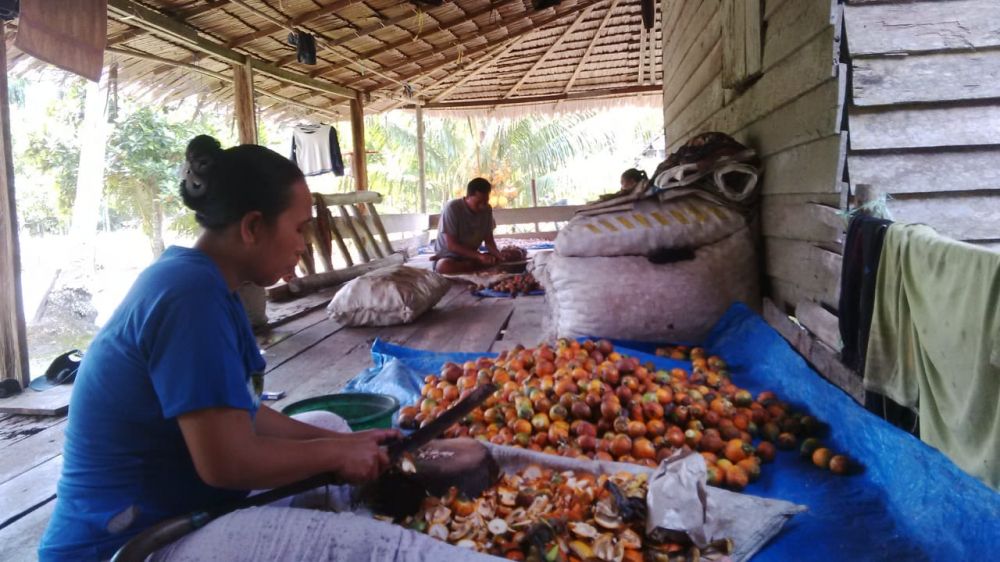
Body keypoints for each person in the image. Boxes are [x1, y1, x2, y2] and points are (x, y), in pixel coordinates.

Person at [38, 135, 398, 560]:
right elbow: (227, 463)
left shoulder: (210, 286)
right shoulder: (189, 297)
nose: (304, 244)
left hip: (183, 511)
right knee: (385, 550)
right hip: (130, 545)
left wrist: (341, 444)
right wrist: (335, 454)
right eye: (299, 228)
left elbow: (244, 412)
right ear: (252, 227)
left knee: (333, 426)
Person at [433, 177, 502, 274]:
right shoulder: (452, 208)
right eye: (478, 203)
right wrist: (479, 256)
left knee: (495, 260)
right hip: (450, 256)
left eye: (485, 202)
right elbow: (452, 246)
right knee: (444, 266)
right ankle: (472, 266)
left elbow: (489, 241)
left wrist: (499, 256)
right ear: (468, 197)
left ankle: (469, 266)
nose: (482, 206)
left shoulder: (487, 209)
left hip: (471, 256)